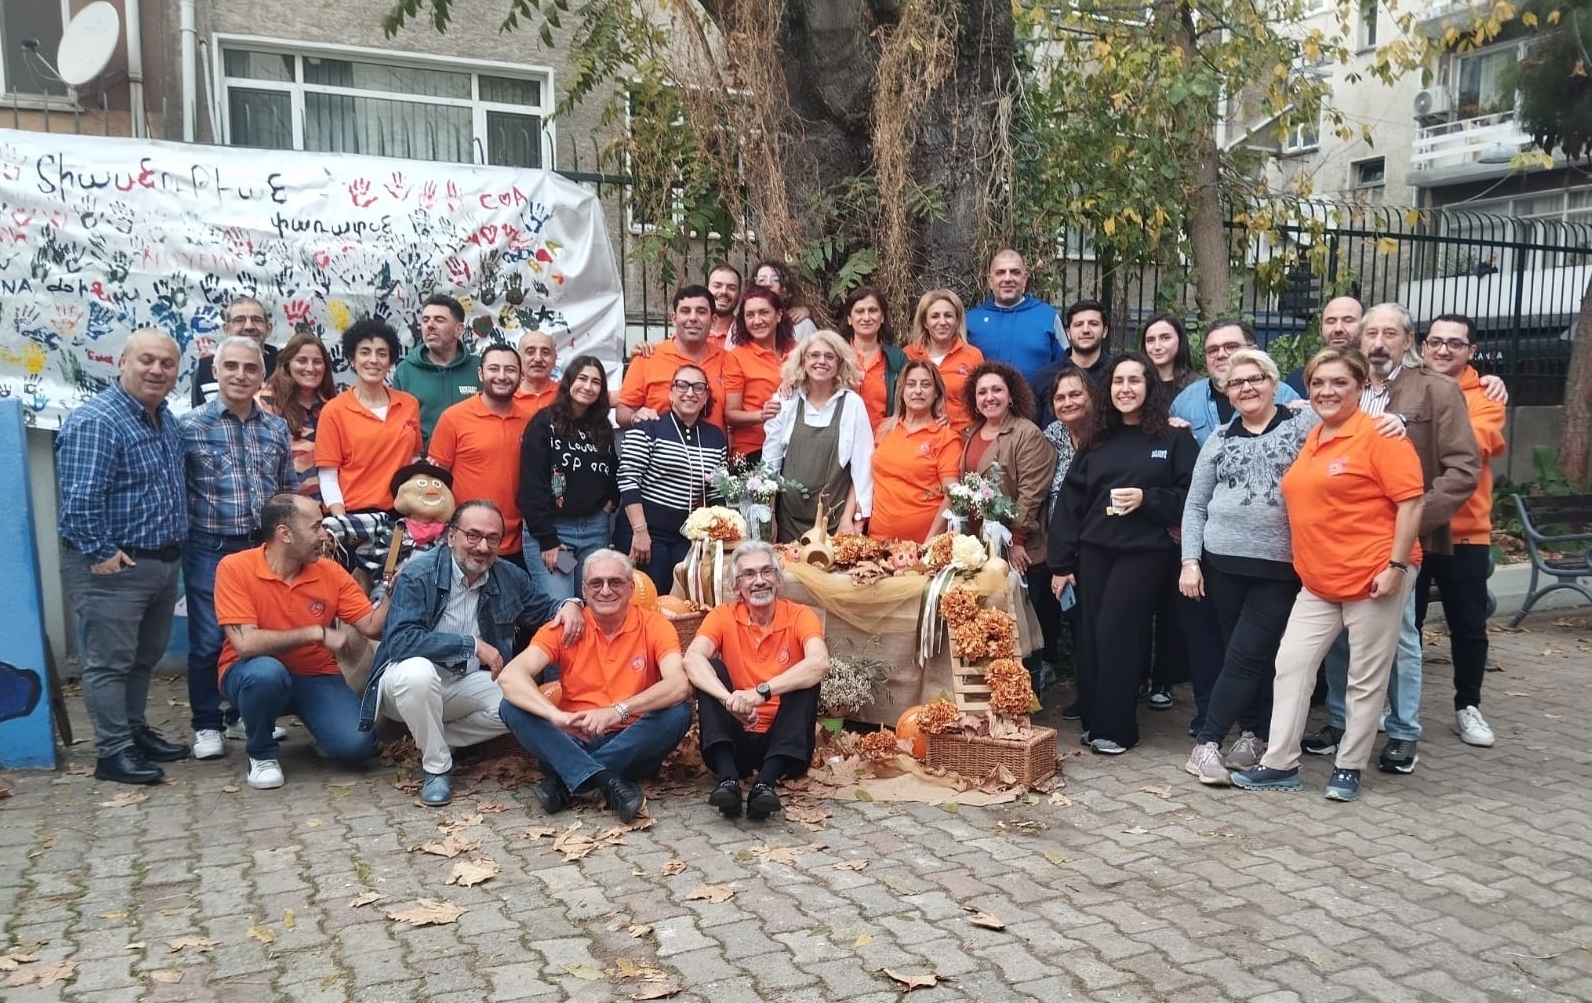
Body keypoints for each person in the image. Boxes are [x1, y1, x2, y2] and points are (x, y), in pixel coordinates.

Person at [1231, 348, 1425, 802]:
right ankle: (1279, 763)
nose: (1326, 391)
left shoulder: (1381, 435)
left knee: (1364, 675)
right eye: (1318, 382)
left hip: (1374, 574)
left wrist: (1396, 567)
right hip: (1318, 582)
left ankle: (1349, 765)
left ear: (1361, 386)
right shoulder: (1315, 435)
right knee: (1292, 665)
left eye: (1339, 382)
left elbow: (1412, 502)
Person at [1307, 304, 1481, 776]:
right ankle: (1342, 722)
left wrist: (1412, 520)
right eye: (1371, 334)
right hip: (1342, 540)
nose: (1379, 342)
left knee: (1399, 636)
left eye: (1390, 334)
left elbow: (1464, 469)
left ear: (1409, 341)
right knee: (1342, 637)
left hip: (1398, 544)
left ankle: (1403, 731)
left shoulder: (1436, 390)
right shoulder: (1346, 389)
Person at [361, 500, 584, 807]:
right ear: (451, 536)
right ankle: (436, 767)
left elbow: (544, 607)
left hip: (462, 681)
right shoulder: (418, 573)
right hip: (403, 685)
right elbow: (400, 641)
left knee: (521, 705)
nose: (482, 546)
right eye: (473, 535)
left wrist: (570, 605)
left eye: (493, 538)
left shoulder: (507, 575)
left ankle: (434, 738)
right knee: (418, 674)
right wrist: (472, 645)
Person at [57, 330, 191, 784]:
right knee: (109, 662)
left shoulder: (165, 419)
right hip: (113, 567)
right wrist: (102, 552)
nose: (156, 370)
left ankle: (133, 732)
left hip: (160, 563)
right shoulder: (99, 420)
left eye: (166, 363)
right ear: (123, 362)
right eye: (146, 361)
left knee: (141, 658)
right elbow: (79, 500)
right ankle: (112, 753)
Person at [1178, 348, 1316, 785]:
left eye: (1255, 378)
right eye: (1236, 383)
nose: (1247, 388)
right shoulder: (1218, 439)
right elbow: (1195, 505)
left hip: (1280, 566)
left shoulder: (1304, 426)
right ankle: (1253, 734)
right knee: (1244, 654)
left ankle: (1207, 744)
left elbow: (1354, 422)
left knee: (1246, 655)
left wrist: (1398, 421)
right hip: (1222, 565)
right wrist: (1191, 561)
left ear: (1274, 383)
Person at [1049, 352, 1197, 754]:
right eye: (1118, 381)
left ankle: (1118, 729)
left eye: (1134, 380)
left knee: (1118, 632)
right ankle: (1098, 720)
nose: (1126, 388)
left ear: (1149, 387)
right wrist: (1061, 562)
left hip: (1144, 554)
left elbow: (1193, 498)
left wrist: (1148, 499)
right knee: (1093, 637)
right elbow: (1070, 504)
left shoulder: (1174, 438)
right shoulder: (1097, 440)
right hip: (1094, 552)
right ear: (1108, 389)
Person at [496, 550, 693, 823]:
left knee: (678, 713)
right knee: (510, 706)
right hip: (571, 737)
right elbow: (510, 676)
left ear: (631, 587)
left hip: (632, 739)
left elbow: (679, 684)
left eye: (615, 582)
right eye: (596, 583)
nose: (606, 590)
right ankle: (605, 780)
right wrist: (558, 717)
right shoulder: (566, 627)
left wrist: (618, 711)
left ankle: (567, 782)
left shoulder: (653, 624)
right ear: (584, 590)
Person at [216, 493, 390, 790]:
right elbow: (245, 644)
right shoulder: (235, 568)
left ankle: (327, 732)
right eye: (317, 527)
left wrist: (392, 594)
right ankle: (261, 754)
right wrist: (315, 633)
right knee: (266, 674)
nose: (325, 536)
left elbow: (372, 627)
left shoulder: (330, 572)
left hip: (316, 676)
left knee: (357, 748)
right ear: (284, 533)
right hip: (252, 673)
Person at [180, 336, 295, 761]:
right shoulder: (189, 427)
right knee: (210, 639)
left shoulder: (276, 427)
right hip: (211, 547)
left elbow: (286, 491)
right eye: (231, 367)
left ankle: (244, 715)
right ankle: (206, 724)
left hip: (261, 547)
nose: (240, 375)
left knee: (258, 635)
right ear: (215, 371)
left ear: (262, 376)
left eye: (250, 369)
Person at [685, 541, 829, 820]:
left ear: (778, 578)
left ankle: (766, 784)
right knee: (709, 668)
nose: (759, 581)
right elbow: (691, 658)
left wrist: (761, 692)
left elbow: (819, 662)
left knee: (806, 676)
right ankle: (727, 780)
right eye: (749, 574)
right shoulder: (722, 615)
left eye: (767, 572)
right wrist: (729, 701)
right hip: (735, 738)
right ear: (736, 586)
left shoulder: (801, 615)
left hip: (783, 745)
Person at [1416, 314, 1507, 748]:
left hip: (1466, 532)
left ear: (1471, 351)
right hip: (1410, 532)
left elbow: (1471, 445)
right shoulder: (1405, 387)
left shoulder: (1486, 397)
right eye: (1435, 342)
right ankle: (1398, 707)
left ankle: (1467, 706)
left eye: (1455, 343)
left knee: (1468, 626)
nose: (1443, 350)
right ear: (1423, 346)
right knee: (1404, 626)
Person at [962, 362, 1058, 685]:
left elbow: (1033, 492)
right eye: (983, 392)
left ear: (1012, 395)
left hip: (1021, 548)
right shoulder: (972, 433)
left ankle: (1026, 690)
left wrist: (1016, 539)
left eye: (997, 390)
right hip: (982, 548)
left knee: (1022, 624)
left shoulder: (1026, 433)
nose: (990, 397)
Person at [617, 364, 729, 590]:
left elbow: (716, 492)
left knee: (686, 592)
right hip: (645, 532)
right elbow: (628, 479)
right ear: (670, 392)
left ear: (706, 395)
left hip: (684, 535)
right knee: (654, 592)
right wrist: (640, 532)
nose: (690, 392)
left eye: (698, 387)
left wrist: (724, 531)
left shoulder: (715, 438)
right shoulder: (648, 427)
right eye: (682, 385)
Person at [518, 355, 620, 602]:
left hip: (594, 531)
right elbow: (532, 485)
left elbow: (615, 469)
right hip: (555, 532)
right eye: (582, 378)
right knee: (562, 605)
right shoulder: (544, 423)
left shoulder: (601, 426)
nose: (588, 386)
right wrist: (548, 540)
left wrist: (611, 503)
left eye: (596, 382)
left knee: (591, 602)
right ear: (569, 381)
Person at [428, 344, 538, 568]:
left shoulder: (533, 421)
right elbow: (436, 482)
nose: (502, 376)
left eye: (510, 370)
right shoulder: (454, 418)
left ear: (521, 375)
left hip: (519, 541)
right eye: (494, 369)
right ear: (480, 373)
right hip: (467, 541)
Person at [763, 330, 875, 540]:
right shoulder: (786, 400)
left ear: (840, 363)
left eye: (829, 356)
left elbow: (862, 471)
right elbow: (770, 464)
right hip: (788, 521)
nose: (821, 361)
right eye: (814, 355)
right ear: (802, 360)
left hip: (835, 523)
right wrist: (769, 518)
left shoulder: (852, 404)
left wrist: (850, 520)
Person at [315, 319, 424, 516]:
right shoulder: (334, 411)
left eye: (382, 353)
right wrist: (342, 523)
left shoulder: (409, 404)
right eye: (365, 352)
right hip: (353, 515)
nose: (373, 360)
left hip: (400, 514)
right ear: (352, 359)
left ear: (390, 361)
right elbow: (328, 475)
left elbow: (413, 459)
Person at [1042, 367, 1094, 713]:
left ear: (1090, 396)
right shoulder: (1053, 434)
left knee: (1096, 623)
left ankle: (1105, 692)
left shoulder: (1105, 434)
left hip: (1096, 542)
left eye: (1075, 394)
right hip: (1061, 546)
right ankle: (1086, 693)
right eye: (1060, 397)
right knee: (1074, 620)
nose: (1067, 402)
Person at [868, 360, 962, 543]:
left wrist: (929, 544)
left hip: (922, 549)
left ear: (936, 393)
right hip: (877, 544)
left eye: (926, 385)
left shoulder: (946, 438)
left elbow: (953, 496)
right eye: (911, 384)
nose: (918, 390)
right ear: (901, 391)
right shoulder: (884, 430)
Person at [1171, 318, 1301, 446]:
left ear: (1253, 351)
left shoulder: (1285, 397)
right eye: (1213, 350)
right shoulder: (1185, 402)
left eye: (1231, 347)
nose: (1220, 354)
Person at [618, 285, 727, 431]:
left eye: (701, 312)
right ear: (674, 319)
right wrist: (635, 417)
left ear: (713, 320)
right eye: (685, 311)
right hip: (659, 450)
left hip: (711, 451)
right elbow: (623, 412)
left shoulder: (727, 360)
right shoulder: (647, 357)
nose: (693, 318)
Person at [257, 331, 336, 499]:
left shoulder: (331, 406)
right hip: (285, 508)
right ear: (287, 364)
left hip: (328, 508)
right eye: (301, 361)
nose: (310, 368)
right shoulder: (264, 403)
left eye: (317, 362)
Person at [965, 249, 1062, 386]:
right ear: (990, 281)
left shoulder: (1048, 317)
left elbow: (1067, 367)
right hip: (986, 405)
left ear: (1025, 278)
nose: (1008, 278)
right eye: (1000, 273)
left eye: (1015, 272)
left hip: (1038, 406)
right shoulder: (970, 321)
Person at [392, 294, 480, 444]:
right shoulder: (405, 371)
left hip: (472, 460)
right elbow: (397, 426)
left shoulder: (480, 368)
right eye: (425, 320)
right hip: (425, 463)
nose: (430, 325)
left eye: (439, 320)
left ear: (458, 329)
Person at [722, 286, 797, 460]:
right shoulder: (737, 356)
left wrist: (796, 380)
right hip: (753, 449)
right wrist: (761, 415)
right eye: (750, 315)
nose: (757, 320)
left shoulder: (798, 350)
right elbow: (730, 414)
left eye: (764, 312)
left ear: (778, 315)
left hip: (794, 446)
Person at [903, 289, 984, 432]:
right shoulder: (909, 354)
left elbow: (982, 401)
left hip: (963, 437)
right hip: (918, 435)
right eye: (935, 316)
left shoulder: (973, 356)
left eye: (948, 316)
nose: (942, 322)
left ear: (957, 320)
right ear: (925, 322)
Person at [1029, 300, 1113, 423]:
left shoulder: (1117, 375)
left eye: (1093, 324)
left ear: (1104, 331)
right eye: (1078, 324)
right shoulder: (1045, 378)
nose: (1085, 330)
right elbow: (1032, 429)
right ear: (1068, 333)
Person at [838, 286, 908, 430]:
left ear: (882, 317)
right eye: (859, 311)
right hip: (842, 440)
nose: (866, 317)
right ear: (849, 319)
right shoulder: (836, 356)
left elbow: (909, 403)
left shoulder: (897, 359)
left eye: (873, 310)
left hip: (884, 442)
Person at [192, 296, 280, 407]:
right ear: (226, 329)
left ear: (269, 329)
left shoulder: (284, 367)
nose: (249, 326)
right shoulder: (206, 369)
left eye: (256, 320)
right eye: (239, 320)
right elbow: (199, 416)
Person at [1284, 296, 1363, 395]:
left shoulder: (1379, 379)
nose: (1338, 329)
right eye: (1331, 321)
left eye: (1348, 320)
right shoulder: (1297, 381)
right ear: (1320, 330)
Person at [752, 259, 818, 340]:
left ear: (785, 291)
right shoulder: (746, 325)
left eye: (775, 279)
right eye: (762, 280)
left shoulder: (803, 326)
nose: (768, 284)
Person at [1139, 312, 1197, 392]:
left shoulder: (1197, 386)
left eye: (1165, 338)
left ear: (1180, 340)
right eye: (1150, 340)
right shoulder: (1136, 384)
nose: (1157, 347)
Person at [515, 329, 559, 417]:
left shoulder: (566, 394)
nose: (538, 359)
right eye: (530, 352)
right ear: (518, 358)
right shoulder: (505, 397)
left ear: (555, 359)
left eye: (545, 352)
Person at [706, 263, 743, 348]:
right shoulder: (691, 332)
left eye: (731, 288)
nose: (724, 291)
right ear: (707, 290)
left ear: (739, 294)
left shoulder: (747, 335)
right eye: (717, 286)